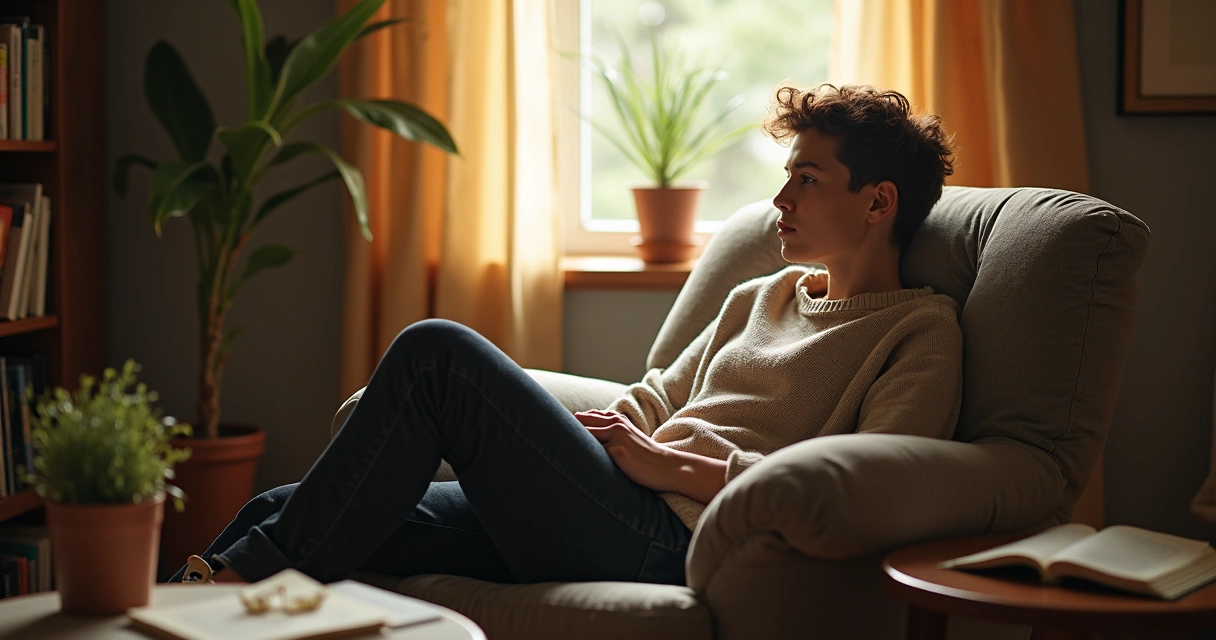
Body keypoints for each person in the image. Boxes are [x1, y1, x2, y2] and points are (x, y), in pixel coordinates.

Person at [172, 83, 962, 587]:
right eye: (787, 174)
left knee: (436, 354)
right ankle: (185, 605)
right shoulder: (763, 294)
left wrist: (671, 465)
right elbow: (655, 398)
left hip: (673, 540)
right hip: (611, 502)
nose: (781, 197)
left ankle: (227, 597)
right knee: (291, 505)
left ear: (878, 202)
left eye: (808, 178)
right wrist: (555, 446)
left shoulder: (918, 331)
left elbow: (862, 499)